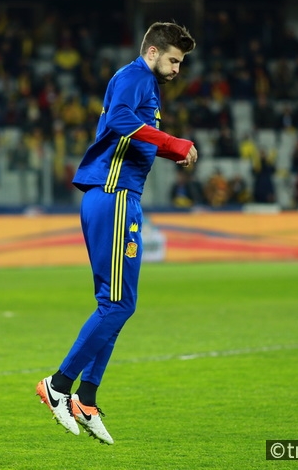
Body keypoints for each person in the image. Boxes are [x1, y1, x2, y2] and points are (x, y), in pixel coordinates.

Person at [36, 22, 197, 444]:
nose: (178, 69)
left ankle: (86, 398)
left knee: (116, 304)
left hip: (113, 195)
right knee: (119, 304)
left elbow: (135, 133)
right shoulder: (135, 77)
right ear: (153, 51)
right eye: (174, 60)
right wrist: (174, 142)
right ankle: (58, 385)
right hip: (115, 193)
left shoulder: (144, 83)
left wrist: (170, 147)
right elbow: (123, 121)